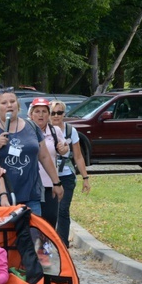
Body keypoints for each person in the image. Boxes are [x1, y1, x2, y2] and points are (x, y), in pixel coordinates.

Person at [0, 88, 63, 215]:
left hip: (30, 196)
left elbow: (44, 156)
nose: (9, 105)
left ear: (17, 104)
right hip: (0, 198)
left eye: (12, 101)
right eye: (4, 103)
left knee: (33, 234)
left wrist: (56, 182)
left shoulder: (32, 127)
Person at [49, 100, 91, 247]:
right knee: (50, 211)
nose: (56, 116)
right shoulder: (44, 130)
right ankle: (48, 242)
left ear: (64, 114)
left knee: (63, 209)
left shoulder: (70, 131)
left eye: (59, 112)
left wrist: (85, 177)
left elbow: (78, 156)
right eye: (53, 113)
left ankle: (63, 245)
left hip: (66, 174)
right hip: (48, 176)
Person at [28, 98, 69, 228]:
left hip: (48, 183)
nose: (41, 115)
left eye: (44, 111)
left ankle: (46, 247)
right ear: (31, 114)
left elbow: (64, 149)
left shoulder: (54, 131)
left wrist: (63, 149)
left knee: (50, 220)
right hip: (30, 185)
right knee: (32, 220)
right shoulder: (25, 131)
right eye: (37, 111)